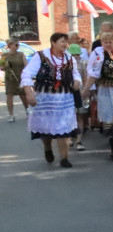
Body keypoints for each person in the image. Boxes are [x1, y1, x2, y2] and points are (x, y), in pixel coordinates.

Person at [20, 32, 81, 167]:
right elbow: (27, 73)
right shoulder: (41, 56)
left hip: (65, 97)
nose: (65, 44)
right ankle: (47, 147)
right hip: (45, 97)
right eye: (62, 42)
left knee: (64, 128)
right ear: (53, 42)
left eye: (66, 42)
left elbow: (76, 73)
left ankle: (64, 158)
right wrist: (29, 93)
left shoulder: (69, 57)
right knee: (46, 128)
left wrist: (77, 81)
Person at [85, 30, 113, 159]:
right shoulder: (102, 57)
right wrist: (86, 91)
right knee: (109, 119)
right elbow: (93, 75)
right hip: (107, 91)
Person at [68, 33, 89, 149]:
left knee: (80, 116)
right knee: (71, 116)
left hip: (80, 92)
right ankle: (70, 138)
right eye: (73, 55)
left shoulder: (82, 64)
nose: (76, 57)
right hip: (68, 93)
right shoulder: (65, 65)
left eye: (77, 55)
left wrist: (86, 91)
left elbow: (85, 79)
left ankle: (79, 141)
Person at [2, 38, 28, 122]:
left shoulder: (21, 54)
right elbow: (1, 67)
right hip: (10, 79)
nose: (17, 46)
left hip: (20, 78)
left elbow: (26, 65)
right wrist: (6, 65)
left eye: (18, 44)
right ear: (10, 46)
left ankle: (27, 110)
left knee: (23, 96)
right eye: (16, 45)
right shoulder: (4, 55)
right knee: (9, 96)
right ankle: (11, 115)